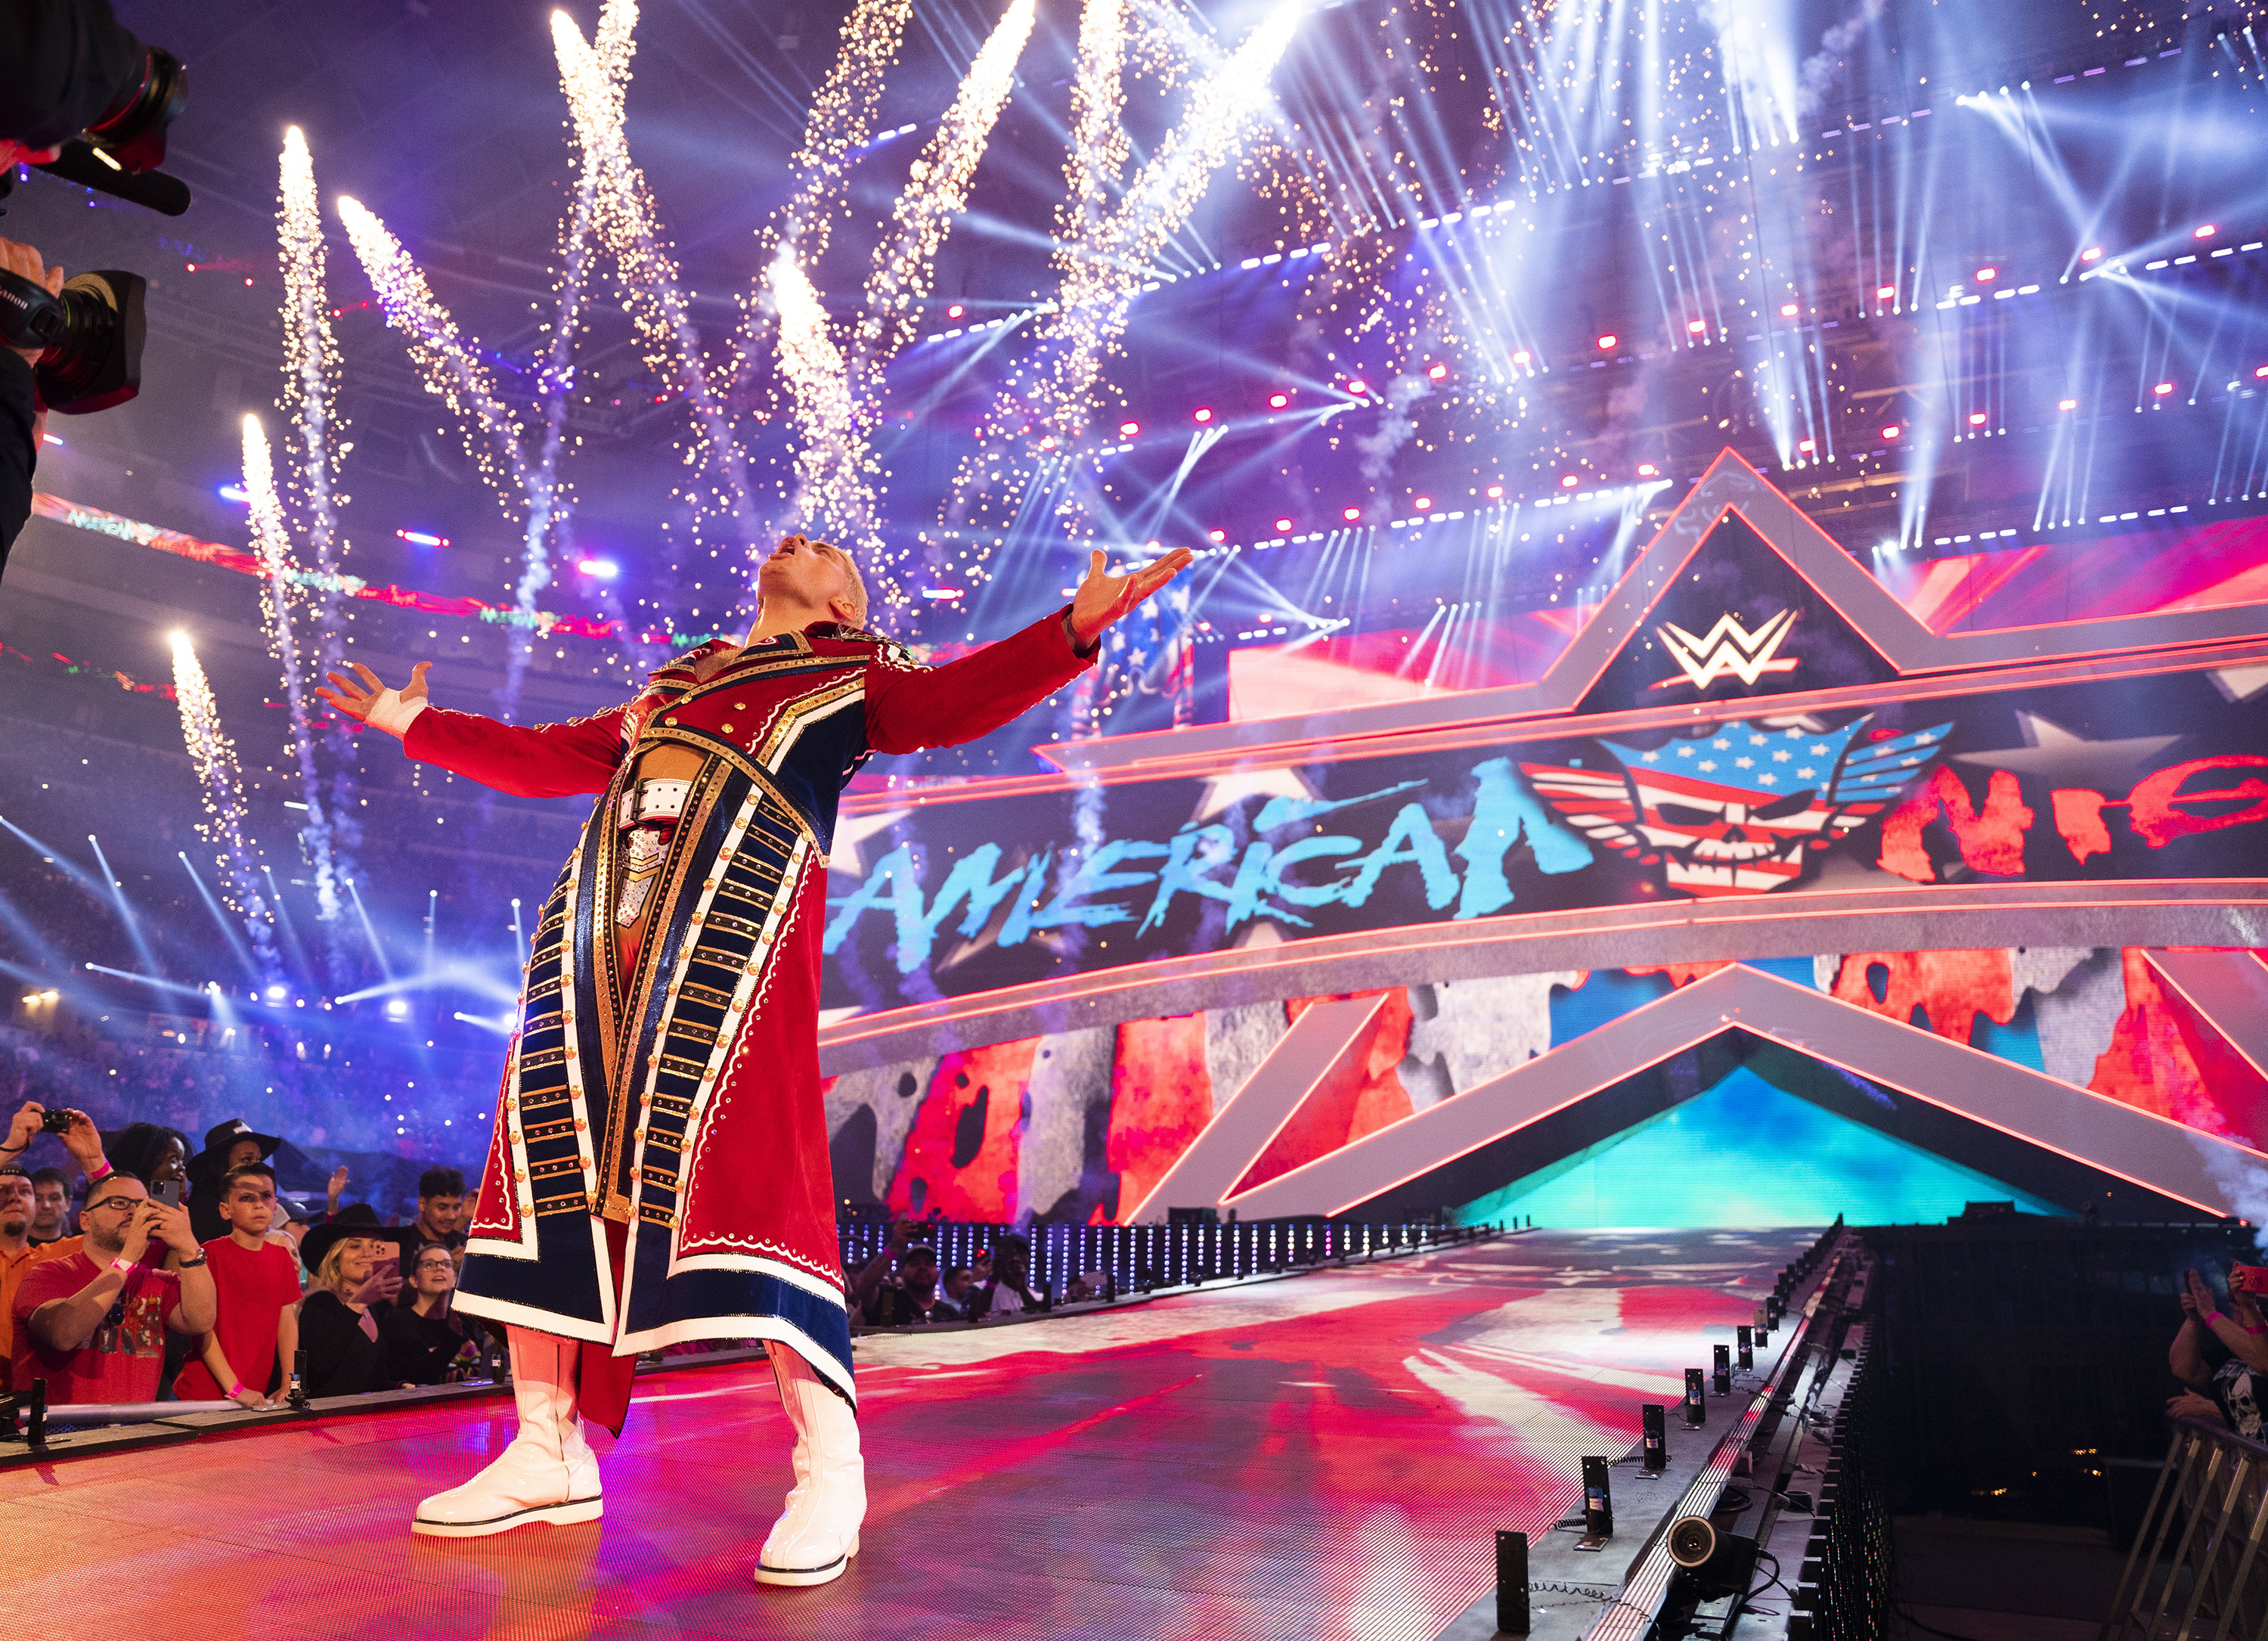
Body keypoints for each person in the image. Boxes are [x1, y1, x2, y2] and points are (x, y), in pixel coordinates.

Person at [316, 529, 1188, 1581]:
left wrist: (1071, 629)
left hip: (736, 937)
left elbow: (952, 701)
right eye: (792, 534)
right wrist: (416, 722)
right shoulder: (674, 684)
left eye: (824, 545)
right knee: (553, 1162)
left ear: (848, 602)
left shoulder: (856, 672)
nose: (797, 539)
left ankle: (830, 1463)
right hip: (596, 939)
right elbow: (548, 757)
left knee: (757, 1178)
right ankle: (547, 1447)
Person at [12, 1169, 215, 1405]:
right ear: (85, 1221)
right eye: (119, 1203)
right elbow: (63, 1335)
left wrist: (189, 1247)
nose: (134, 1212)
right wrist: (127, 1259)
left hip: (130, 1434)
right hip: (59, 1433)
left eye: (142, 1205)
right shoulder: (48, 1275)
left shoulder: (158, 1281)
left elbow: (200, 1321)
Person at [174, 1165, 302, 1409]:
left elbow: (287, 1324)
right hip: (205, 1393)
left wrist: (290, 1385)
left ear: (275, 1204)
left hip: (254, 1393)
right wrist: (235, 1388)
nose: (259, 1204)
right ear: (225, 1210)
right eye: (246, 1198)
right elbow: (203, 1328)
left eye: (265, 1196)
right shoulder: (209, 1254)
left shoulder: (281, 1258)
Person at [294, 1205, 398, 1398]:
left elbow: (373, 1379)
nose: (367, 1253)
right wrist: (356, 1305)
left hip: (361, 1422)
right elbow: (317, 1368)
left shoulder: (372, 1311)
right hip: (326, 1421)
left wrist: (401, 1387)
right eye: (355, 1246)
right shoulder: (320, 1302)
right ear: (336, 1258)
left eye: (375, 1246)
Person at [2169, 1266, 2268, 1438]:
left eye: (2242, 1302)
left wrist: (2210, 1407)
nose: (2235, 1307)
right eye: (2234, 1302)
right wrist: (2194, 1318)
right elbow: (2184, 1370)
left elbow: (2264, 1364)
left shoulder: (2261, 1351)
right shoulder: (2230, 1351)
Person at [383, 1241, 479, 1387]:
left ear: (454, 1279)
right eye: (429, 1264)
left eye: (447, 1264)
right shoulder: (396, 1326)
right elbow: (407, 1378)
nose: (439, 1268)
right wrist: (450, 1343)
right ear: (414, 1280)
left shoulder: (465, 1321)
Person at [185, 1118, 280, 1245]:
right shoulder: (199, 1218)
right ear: (220, 1164)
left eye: (258, 1160)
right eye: (247, 1160)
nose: (256, 1167)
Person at [396, 1167, 467, 1281]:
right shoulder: (401, 1244)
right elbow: (393, 1296)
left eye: (456, 1207)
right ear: (422, 1204)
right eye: (442, 1207)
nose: (451, 1216)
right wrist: (449, 1267)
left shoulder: (464, 1244)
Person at [966, 1233, 1040, 1321]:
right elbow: (970, 1319)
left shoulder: (1036, 1297)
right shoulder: (978, 1288)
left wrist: (1021, 1288)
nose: (1014, 1258)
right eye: (1008, 1253)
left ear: (1029, 1261)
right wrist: (994, 1279)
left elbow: (1040, 1321)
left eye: (1020, 1252)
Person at [27, 1166, 71, 1245]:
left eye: (54, 1198)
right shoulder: (8, 1248)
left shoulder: (78, 1250)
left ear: (68, 1203)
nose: (46, 1205)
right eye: (37, 1199)